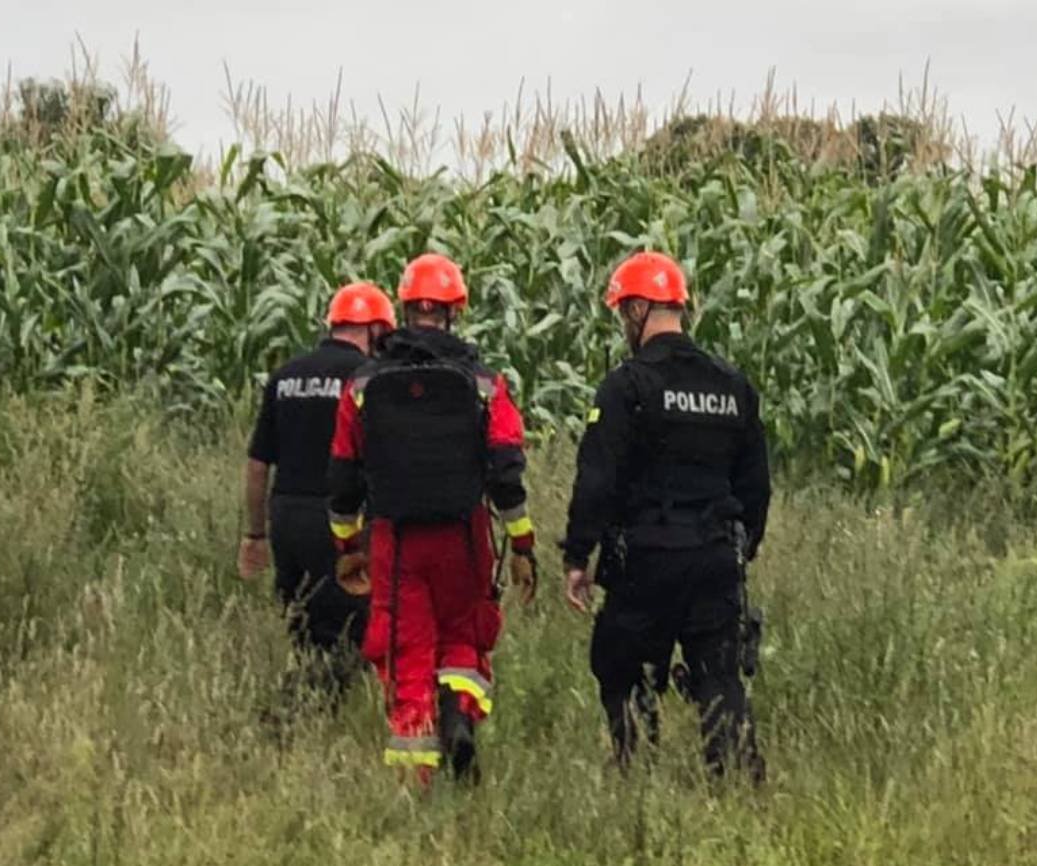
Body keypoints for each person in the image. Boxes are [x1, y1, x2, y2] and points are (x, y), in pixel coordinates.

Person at [560, 251, 771, 782]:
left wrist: (578, 556)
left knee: (620, 664)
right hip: (716, 556)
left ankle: (635, 768)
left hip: (646, 558)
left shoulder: (627, 386)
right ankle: (735, 784)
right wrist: (742, 548)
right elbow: (756, 485)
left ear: (636, 310)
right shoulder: (732, 385)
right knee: (720, 676)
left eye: (622, 314)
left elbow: (598, 479)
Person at [328, 252, 537, 783]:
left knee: (408, 649)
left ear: (403, 309)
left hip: (394, 539)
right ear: (454, 313)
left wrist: (347, 545)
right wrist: (522, 544)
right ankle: (459, 715)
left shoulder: (364, 383)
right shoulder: (484, 383)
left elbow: (343, 474)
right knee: (465, 636)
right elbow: (506, 467)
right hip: (463, 537)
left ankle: (418, 786)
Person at [239, 282, 396, 698]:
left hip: (287, 516)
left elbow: (257, 465)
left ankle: (301, 713)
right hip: (342, 520)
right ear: (376, 330)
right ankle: (304, 712)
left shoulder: (285, 376)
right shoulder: (369, 380)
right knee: (351, 629)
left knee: (301, 624)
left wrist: (255, 535)